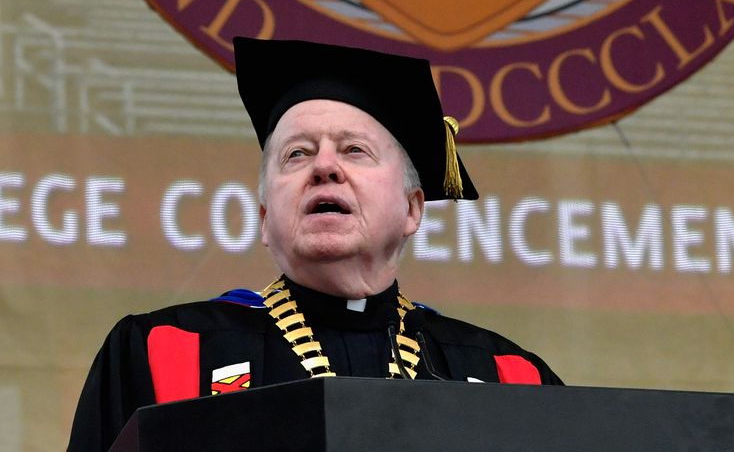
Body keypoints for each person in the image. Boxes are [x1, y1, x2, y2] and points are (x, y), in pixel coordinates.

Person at [66, 37, 561, 452]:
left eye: (354, 150)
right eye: (297, 154)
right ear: (264, 219)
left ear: (413, 208)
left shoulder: (507, 375)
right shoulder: (160, 352)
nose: (325, 167)